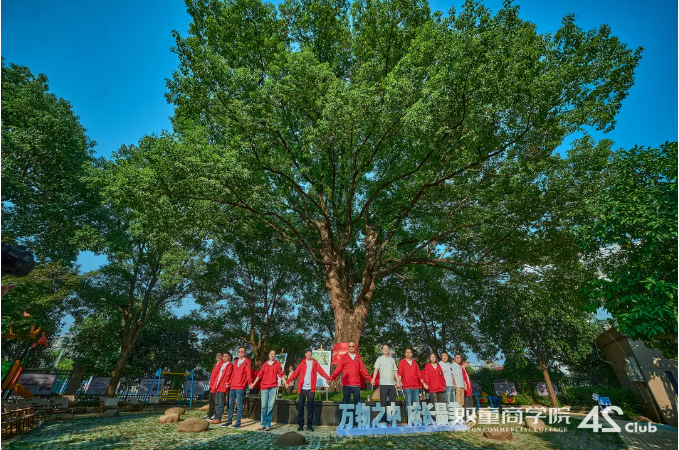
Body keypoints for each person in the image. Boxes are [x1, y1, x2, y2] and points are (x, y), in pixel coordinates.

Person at [286, 347, 330, 432]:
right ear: (305, 354)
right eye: (307, 352)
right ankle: (300, 425)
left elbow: (321, 371)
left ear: (311, 354)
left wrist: (328, 378)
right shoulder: (302, 363)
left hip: (311, 389)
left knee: (310, 407)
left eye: (310, 352)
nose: (309, 354)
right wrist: (288, 381)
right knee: (301, 407)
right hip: (302, 388)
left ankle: (309, 426)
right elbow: (295, 373)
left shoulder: (315, 363)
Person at [250, 350, 285, 431]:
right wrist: (253, 383)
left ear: (275, 356)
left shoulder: (277, 364)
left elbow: (280, 374)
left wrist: (285, 382)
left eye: (274, 354)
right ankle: (262, 423)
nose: (272, 355)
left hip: (273, 387)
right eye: (271, 354)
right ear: (269, 355)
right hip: (264, 387)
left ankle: (268, 424)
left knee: (270, 406)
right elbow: (260, 374)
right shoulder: (265, 364)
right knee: (263, 406)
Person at [328, 341, 371, 405]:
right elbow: (338, 370)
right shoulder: (344, 357)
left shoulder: (358, 357)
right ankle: (345, 412)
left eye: (353, 346)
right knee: (345, 403)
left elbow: (363, 370)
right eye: (350, 346)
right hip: (347, 384)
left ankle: (357, 412)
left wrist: (370, 379)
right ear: (348, 347)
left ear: (355, 347)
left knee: (357, 404)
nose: (351, 348)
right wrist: (331, 378)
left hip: (356, 384)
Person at [223, 346, 252, 428]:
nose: (240, 353)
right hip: (232, 386)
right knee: (230, 405)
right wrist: (229, 382)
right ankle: (229, 421)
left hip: (240, 386)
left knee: (239, 406)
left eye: (242, 351)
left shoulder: (247, 362)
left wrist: (250, 383)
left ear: (245, 353)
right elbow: (233, 374)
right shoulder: (236, 362)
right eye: (239, 351)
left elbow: (248, 373)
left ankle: (238, 422)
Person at [371, 344, 399, 419]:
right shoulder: (379, 359)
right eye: (384, 348)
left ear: (388, 350)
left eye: (387, 348)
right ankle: (384, 420)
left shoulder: (392, 360)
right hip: (383, 384)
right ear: (382, 350)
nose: (386, 350)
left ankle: (392, 419)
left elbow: (395, 371)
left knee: (392, 403)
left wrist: (398, 382)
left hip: (392, 384)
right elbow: (376, 369)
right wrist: (373, 379)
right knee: (383, 402)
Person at [211, 352, 233, 424]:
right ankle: (216, 416)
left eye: (226, 356)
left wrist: (227, 383)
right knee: (216, 402)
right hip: (218, 384)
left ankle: (219, 418)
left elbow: (228, 375)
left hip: (223, 385)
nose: (224, 357)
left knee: (221, 402)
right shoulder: (222, 364)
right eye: (223, 356)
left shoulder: (229, 365)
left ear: (229, 357)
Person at [205, 352, 223, 420]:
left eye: (219, 355)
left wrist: (216, 384)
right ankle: (210, 414)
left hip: (216, 385)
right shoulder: (215, 364)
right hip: (211, 385)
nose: (218, 356)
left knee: (216, 401)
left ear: (222, 357)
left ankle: (215, 414)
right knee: (211, 400)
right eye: (217, 355)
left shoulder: (222, 364)